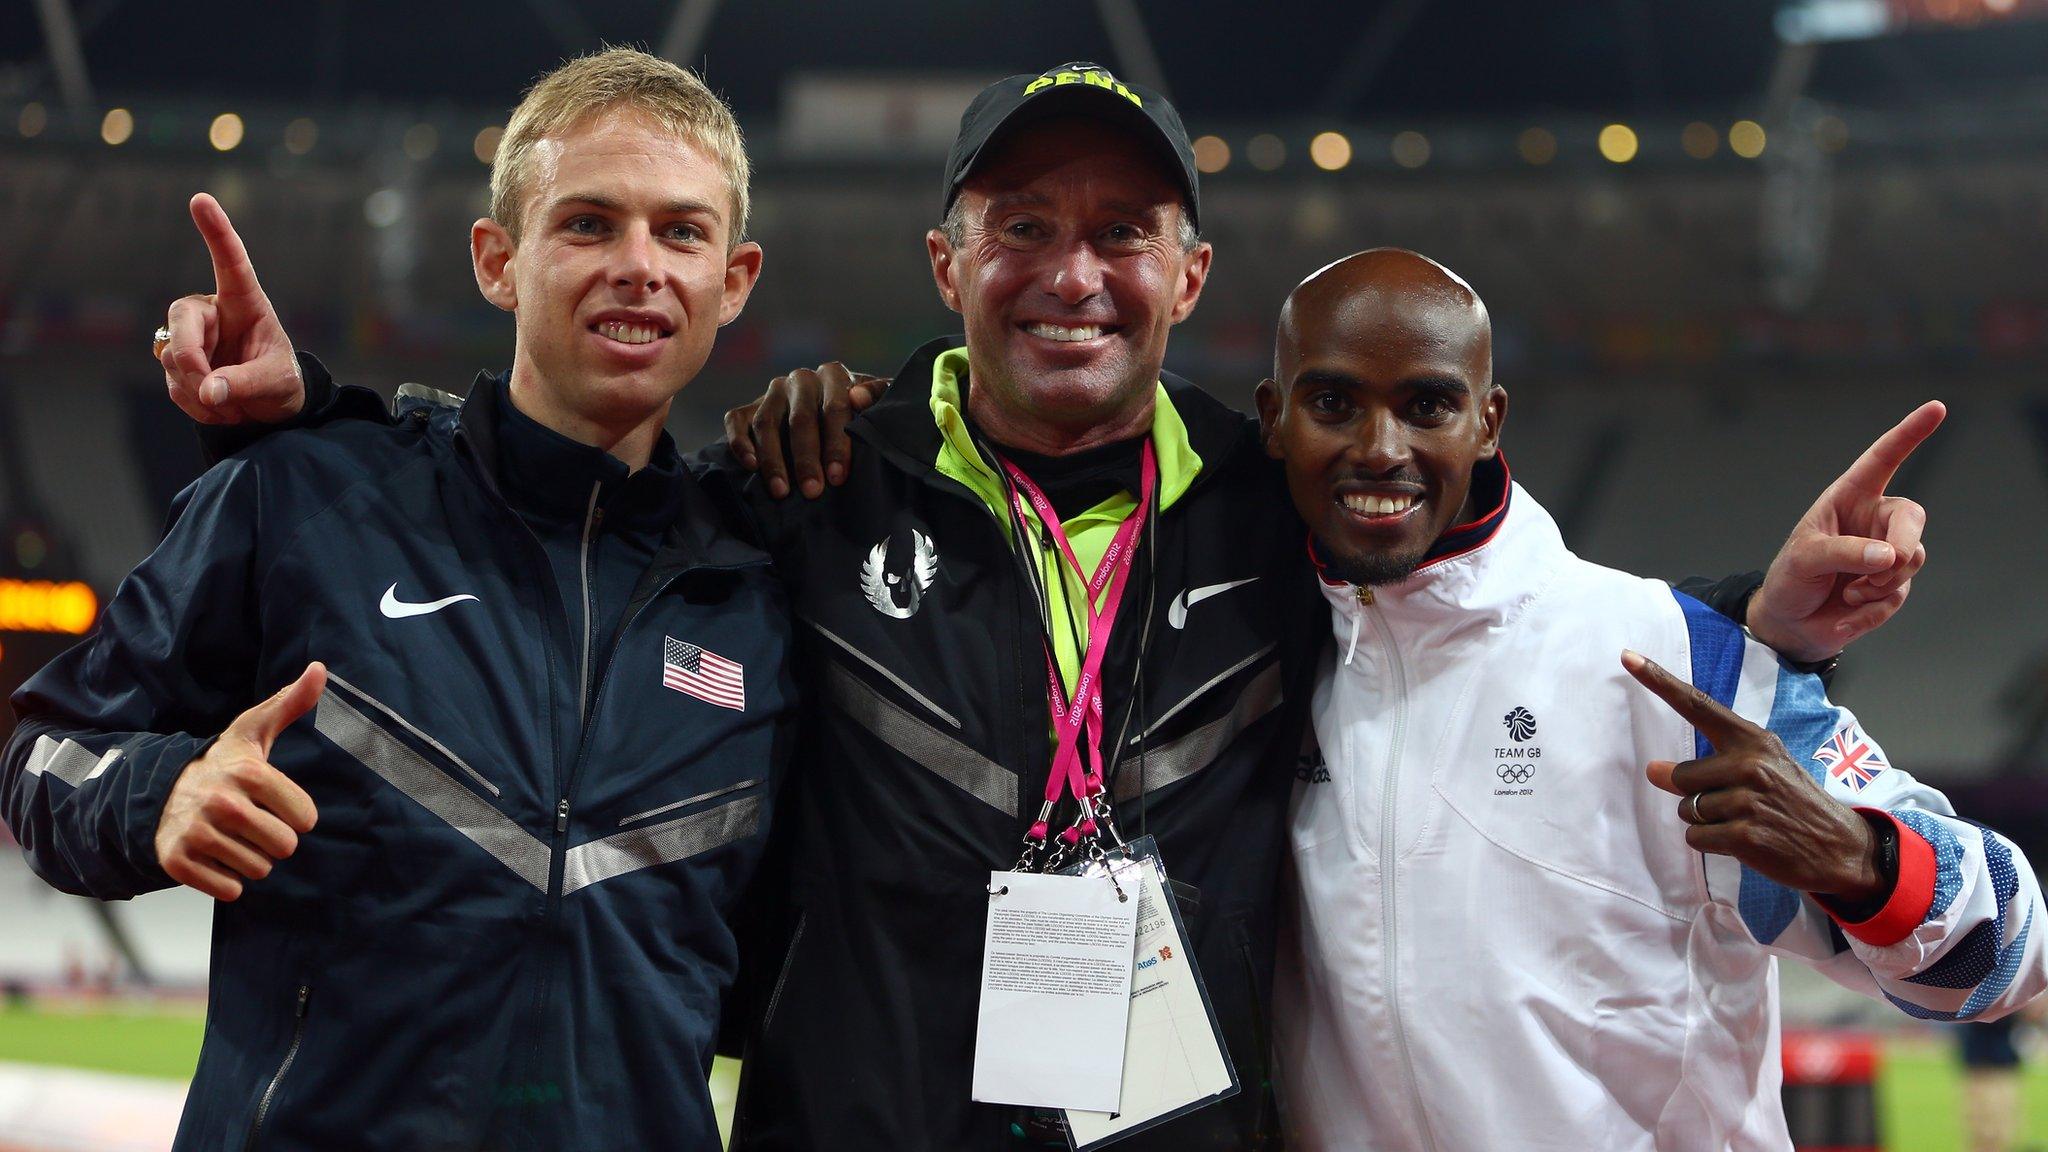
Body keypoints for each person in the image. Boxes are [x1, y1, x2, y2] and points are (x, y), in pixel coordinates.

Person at [154, 63, 1927, 1150]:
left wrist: (1738, 615)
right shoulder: (807, 481)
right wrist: (322, 415)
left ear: (1188, 273)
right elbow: (559, 504)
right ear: (948, 262)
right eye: (1021, 220)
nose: (1072, 270)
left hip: (1159, 1136)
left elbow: (1474, 604)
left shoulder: (1276, 497)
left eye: (1124, 228)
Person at [3, 48, 791, 1151]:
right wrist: (161, 792)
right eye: (586, 224)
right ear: (495, 260)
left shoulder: (762, 601)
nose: (637, 265)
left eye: (680, 232)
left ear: (733, 278)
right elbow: (42, 754)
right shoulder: (304, 500)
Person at [1257, 248, 2045, 1150]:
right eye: (1332, 404)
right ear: (1274, 420)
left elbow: (2012, 952)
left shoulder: (1675, 660)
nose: (1380, 449)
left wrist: (1862, 860)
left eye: (1427, 404)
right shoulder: (1260, 669)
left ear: (1488, 420)